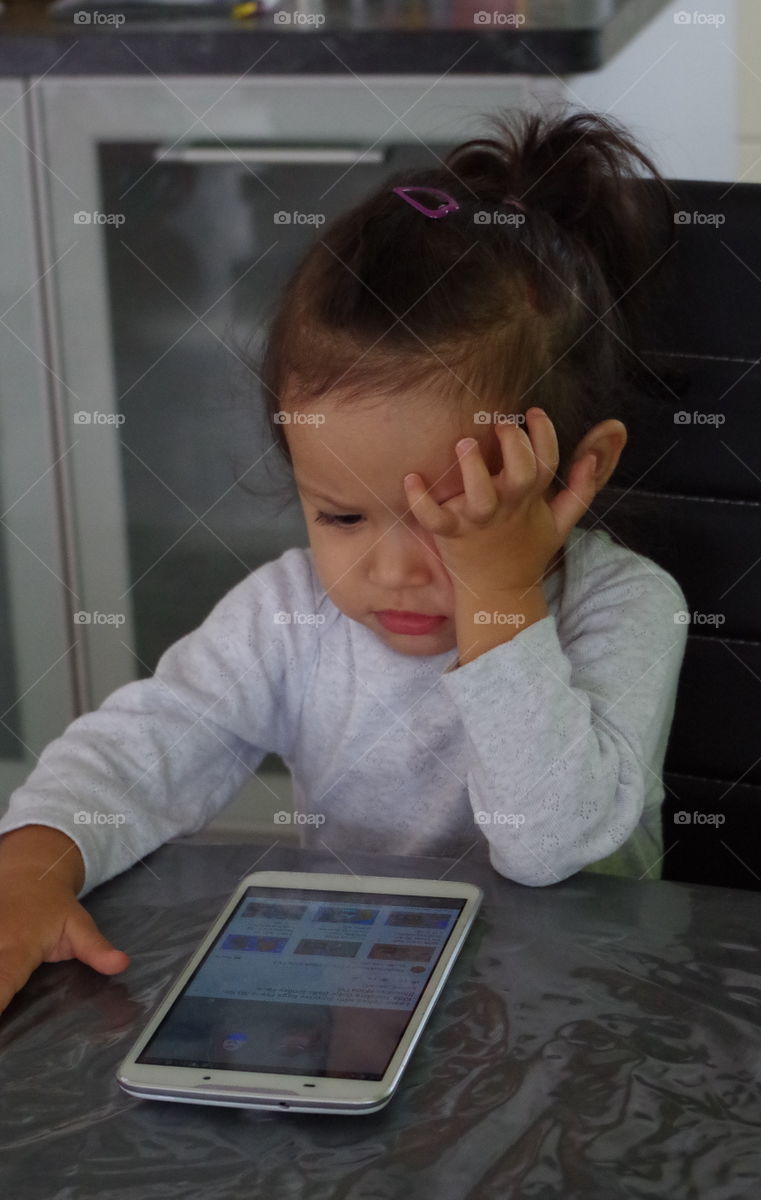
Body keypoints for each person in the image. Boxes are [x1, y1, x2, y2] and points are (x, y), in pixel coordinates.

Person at [0, 104, 690, 1015]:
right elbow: (145, 747)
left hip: (574, 1019)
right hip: (365, 993)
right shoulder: (290, 615)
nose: (395, 570)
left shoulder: (628, 609)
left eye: (450, 518)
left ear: (577, 469)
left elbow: (551, 844)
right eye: (342, 514)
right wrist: (28, 868)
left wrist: (497, 594)